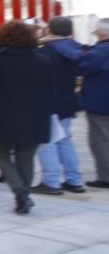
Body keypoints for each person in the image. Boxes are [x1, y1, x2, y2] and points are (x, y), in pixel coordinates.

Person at [0, 20, 53, 214]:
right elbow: (49, 90)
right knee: (25, 158)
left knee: (0, 154)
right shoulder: (43, 60)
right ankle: (24, 195)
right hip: (35, 117)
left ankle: (20, 192)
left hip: (3, 117)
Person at [34, 17, 86, 195]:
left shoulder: (45, 52)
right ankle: (74, 180)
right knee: (65, 141)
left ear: (49, 30)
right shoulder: (75, 49)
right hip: (68, 101)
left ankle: (51, 181)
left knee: (47, 142)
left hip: (48, 102)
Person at [80, 17, 109, 189]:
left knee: (99, 140)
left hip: (100, 103)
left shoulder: (99, 51)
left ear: (100, 33)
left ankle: (105, 177)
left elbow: (82, 65)